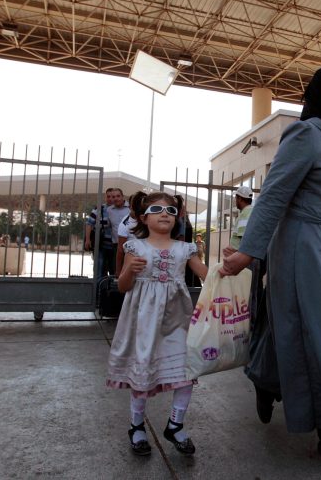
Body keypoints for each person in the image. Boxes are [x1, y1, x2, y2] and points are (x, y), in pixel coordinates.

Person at [221, 65, 321, 476]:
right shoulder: (306, 133)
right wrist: (248, 253)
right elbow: (274, 197)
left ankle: (265, 377)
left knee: (298, 329)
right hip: (305, 248)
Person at [106, 191, 208, 457]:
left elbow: (208, 276)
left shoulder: (185, 249)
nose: (165, 214)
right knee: (142, 372)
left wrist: (230, 266)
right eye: (158, 210)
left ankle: (175, 424)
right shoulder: (134, 247)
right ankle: (136, 426)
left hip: (177, 321)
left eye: (171, 211)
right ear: (143, 217)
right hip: (143, 323)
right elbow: (123, 286)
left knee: (186, 372)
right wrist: (130, 270)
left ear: (177, 218)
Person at [223, 185, 280, 424]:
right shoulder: (268, 207)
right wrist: (244, 256)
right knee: (272, 330)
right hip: (271, 264)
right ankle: (265, 384)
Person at [85, 188, 114, 280]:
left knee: (114, 270)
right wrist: (88, 239)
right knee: (99, 270)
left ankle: (111, 291)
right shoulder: (99, 209)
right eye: (108, 196)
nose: (110, 198)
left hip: (115, 246)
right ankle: (98, 291)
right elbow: (89, 223)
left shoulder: (121, 209)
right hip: (100, 245)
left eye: (112, 196)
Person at [115, 196, 138, 274]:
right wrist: (118, 272)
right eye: (135, 205)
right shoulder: (125, 224)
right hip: (133, 262)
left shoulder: (147, 219)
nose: (138, 208)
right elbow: (120, 250)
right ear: (130, 207)